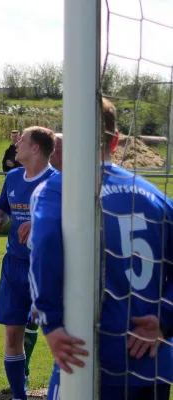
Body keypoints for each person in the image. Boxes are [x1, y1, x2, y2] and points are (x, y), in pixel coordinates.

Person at [29, 99, 173, 399]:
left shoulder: (59, 190)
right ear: (117, 139)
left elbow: (44, 252)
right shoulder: (156, 197)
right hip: (152, 363)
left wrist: (51, 324)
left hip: (87, 358)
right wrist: (166, 320)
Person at [0, 126, 57, 400]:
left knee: (59, 333)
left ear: (36, 148)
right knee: (11, 335)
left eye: (23, 140)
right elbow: (3, 207)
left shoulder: (56, 181)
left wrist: (38, 223)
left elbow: (72, 221)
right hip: (14, 266)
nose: (16, 143)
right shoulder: (14, 176)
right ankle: (19, 396)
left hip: (46, 268)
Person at [18, 132, 63, 384]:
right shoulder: (20, 177)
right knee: (26, 324)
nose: (55, 151)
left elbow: (47, 241)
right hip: (23, 262)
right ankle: (24, 372)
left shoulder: (53, 187)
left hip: (55, 270)